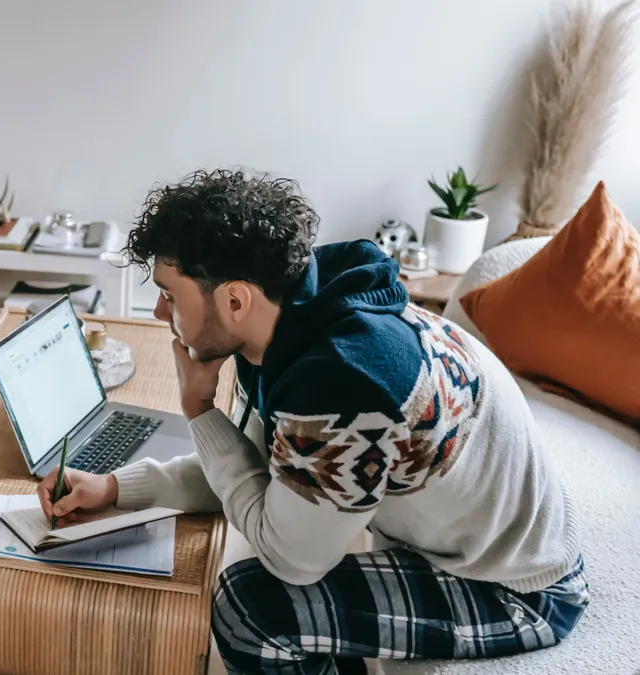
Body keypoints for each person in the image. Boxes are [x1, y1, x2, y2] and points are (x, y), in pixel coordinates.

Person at [38, 169, 585, 674]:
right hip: (492, 540)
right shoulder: (300, 314)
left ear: (234, 299)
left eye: (168, 294)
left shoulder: (343, 386)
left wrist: (200, 411)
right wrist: (118, 487)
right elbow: (257, 464)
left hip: (519, 589)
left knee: (250, 606)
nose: (160, 313)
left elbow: (290, 559)